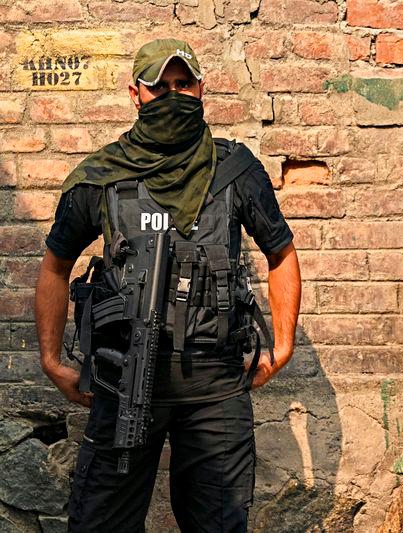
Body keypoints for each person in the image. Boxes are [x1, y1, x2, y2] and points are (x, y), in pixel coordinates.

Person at [35, 38, 301, 532]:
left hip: (215, 388)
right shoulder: (102, 177)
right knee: (101, 524)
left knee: (218, 525)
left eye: (183, 84)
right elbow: (55, 263)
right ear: (135, 94)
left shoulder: (236, 171)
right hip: (123, 379)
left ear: (201, 88)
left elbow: (281, 253)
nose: (174, 94)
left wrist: (282, 345)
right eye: (160, 87)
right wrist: (52, 359)